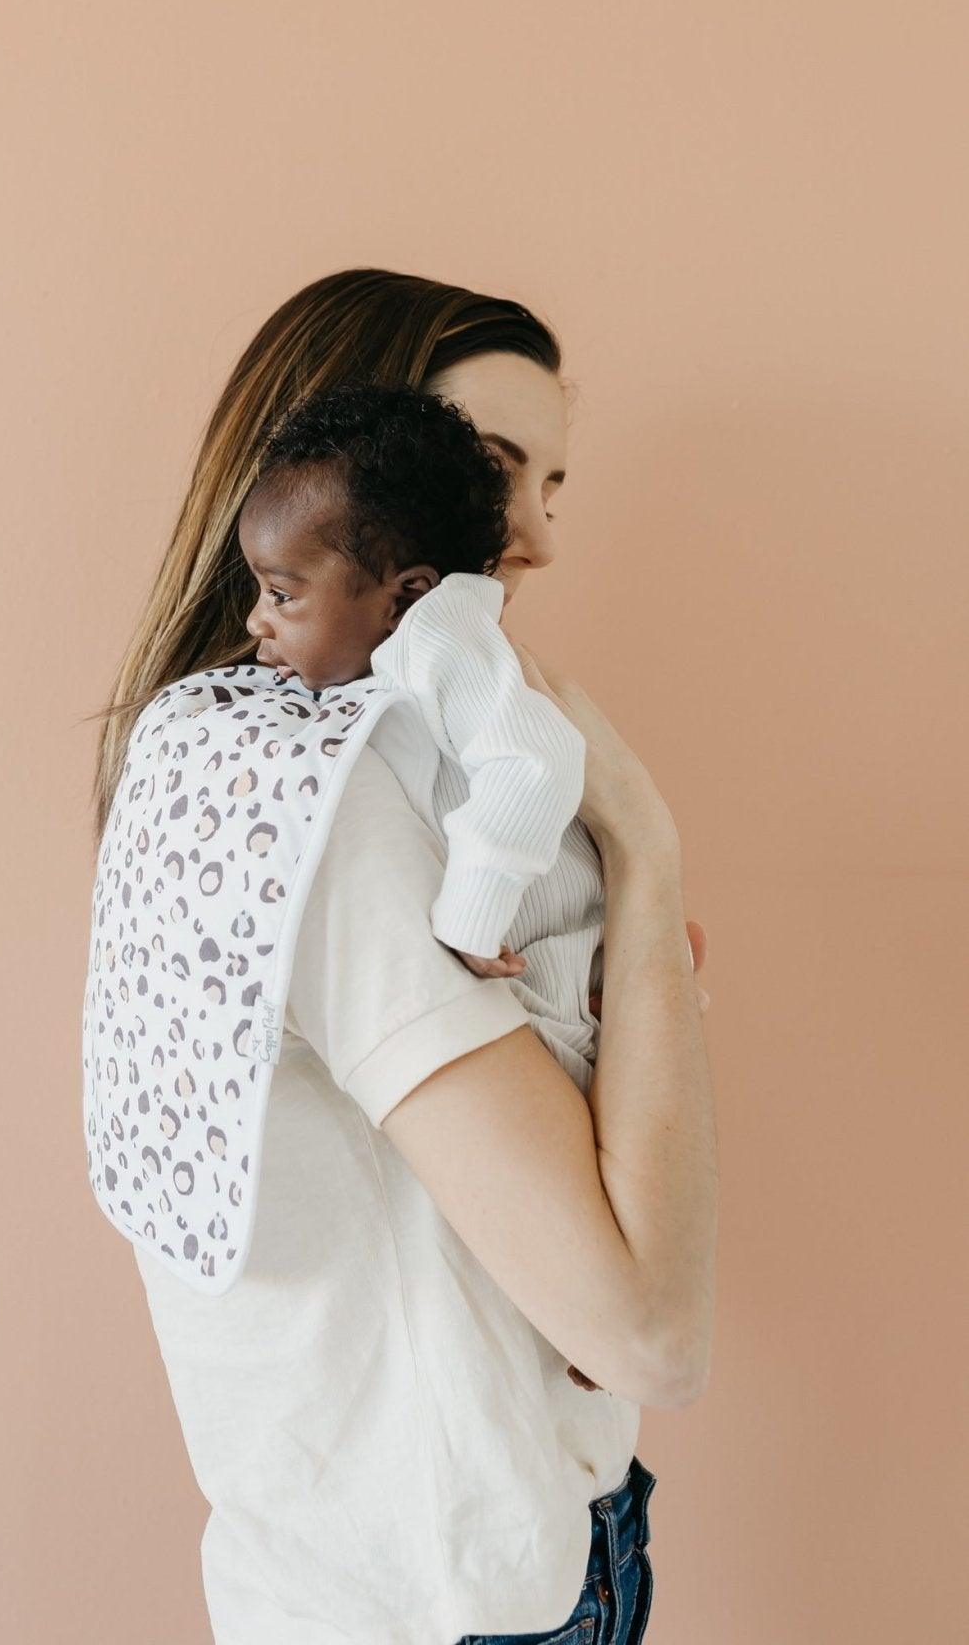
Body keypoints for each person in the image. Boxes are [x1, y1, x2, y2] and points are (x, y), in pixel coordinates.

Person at [89, 268, 718, 1645]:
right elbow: (646, 1335)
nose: (536, 541)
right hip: (455, 1593)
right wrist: (647, 847)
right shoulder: (321, 789)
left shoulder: (218, 757)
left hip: (434, 1561)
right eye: (492, 471)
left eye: (552, 485)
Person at [239, 375, 598, 1081]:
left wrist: (472, 911)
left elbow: (537, 761)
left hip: (549, 953)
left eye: (282, 594)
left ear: (409, 594)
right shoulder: (402, 645)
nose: (257, 620)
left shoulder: (444, 636)